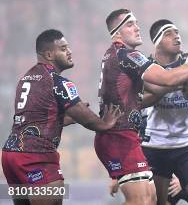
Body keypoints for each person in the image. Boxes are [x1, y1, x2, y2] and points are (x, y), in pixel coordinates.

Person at [95, 9, 188, 205]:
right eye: (130, 24)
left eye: (136, 23)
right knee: (147, 200)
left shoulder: (186, 60)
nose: (137, 28)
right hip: (148, 143)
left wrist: (187, 72)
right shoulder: (132, 57)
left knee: (155, 199)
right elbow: (164, 82)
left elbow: (161, 90)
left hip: (185, 144)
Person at [2, 29, 122, 205]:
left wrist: (64, 120)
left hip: (10, 156)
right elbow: (86, 117)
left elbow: (34, 119)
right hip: (36, 156)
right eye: (63, 48)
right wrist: (105, 124)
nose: (70, 51)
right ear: (49, 54)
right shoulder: (58, 82)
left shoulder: (26, 79)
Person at [139, 19, 188, 205]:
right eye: (169, 33)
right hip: (155, 145)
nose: (177, 36)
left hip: (187, 144)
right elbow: (137, 103)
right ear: (157, 41)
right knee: (158, 202)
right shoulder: (145, 68)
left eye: (177, 32)